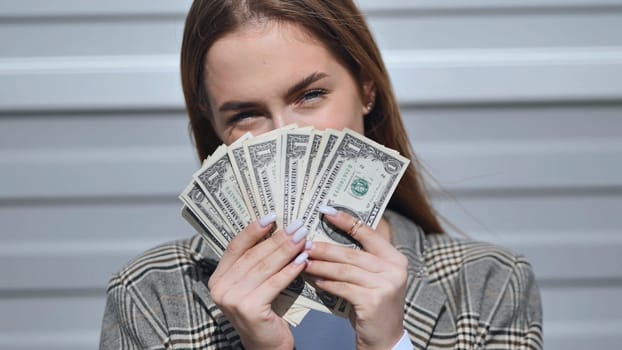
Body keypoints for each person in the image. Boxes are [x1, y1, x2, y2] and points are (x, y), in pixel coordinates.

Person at [100, 1, 543, 349]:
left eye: (310, 95)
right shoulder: (151, 293)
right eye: (246, 115)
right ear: (215, 130)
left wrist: (391, 345)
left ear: (366, 88)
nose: (286, 134)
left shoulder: (488, 283)